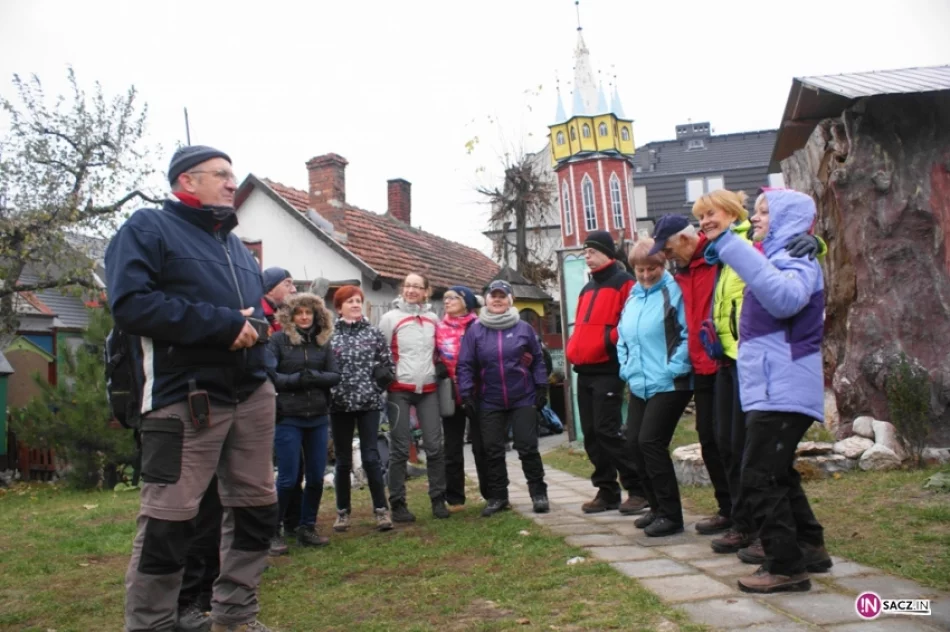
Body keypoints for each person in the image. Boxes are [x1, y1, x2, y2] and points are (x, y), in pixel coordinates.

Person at [106, 145, 277, 632]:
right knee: (168, 523)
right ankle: (152, 624)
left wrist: (258, 336)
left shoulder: (238, 248)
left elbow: (253, 316)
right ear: (186, 182)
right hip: (185, 399)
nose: (231, 182)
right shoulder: (148, 228)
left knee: (255, 513)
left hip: (250, 394)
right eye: (221, 174)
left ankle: (235, 614)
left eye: (232, 174)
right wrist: (222, 325)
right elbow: (131, 306)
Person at [703, 188, 831, 593]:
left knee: (758, 475)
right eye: (755, 211)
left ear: (789, 220)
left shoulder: (796, 257)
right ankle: (809, 545)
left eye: (763, 212)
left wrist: (731, 244)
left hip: (784, 385)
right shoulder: (780, 255)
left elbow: (785, 300)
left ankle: (786, 566)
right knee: (776, 471)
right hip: (775, 384)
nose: (755, 218)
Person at [649, 216, 734, 535]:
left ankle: (744, 515)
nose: (668, 257)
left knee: (728, 442)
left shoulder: (718, 258)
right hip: (701, 367)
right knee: (709, 441)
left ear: (685, 240)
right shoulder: (681, 274)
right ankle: (727, 509)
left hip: (726, 362)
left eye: (669, 249)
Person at [565, 231, 648, 514]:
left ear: (606, 253)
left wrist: (605, 342)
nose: (586, 256)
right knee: (590, 434)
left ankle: (638, 489)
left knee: (607, 430)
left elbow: (628, 324)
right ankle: (607, 490)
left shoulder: (624, 282)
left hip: (608, 369)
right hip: (584, 369)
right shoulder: (587, 289)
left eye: (591, 251)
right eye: (585, 252)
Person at [616, 239, 693, 536]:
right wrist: (626, 369)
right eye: (640, 269)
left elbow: (687, 334)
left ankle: (672, 515)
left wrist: (673, 368)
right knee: (633, 442)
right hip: (639, 382)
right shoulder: (633, 297)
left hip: (671, 382)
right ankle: (656, 508)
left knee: (650, 442)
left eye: (653, 268)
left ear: (664, 264)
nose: (646, 274)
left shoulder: (674, 292)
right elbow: (623, 337)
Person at [457, 280, 549, 516]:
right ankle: (498, 497)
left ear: (511, 300)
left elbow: (538, 359)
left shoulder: (524, 329)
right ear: (486, 300)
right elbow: (465, 364)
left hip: (523, 396)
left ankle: (538, 493)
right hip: (490, 398)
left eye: (502, 296)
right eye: (493, 296)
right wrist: (466, 393)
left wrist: (541, 387)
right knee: (493, 449)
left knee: (527, 446)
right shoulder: (475, 331)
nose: (497, 300)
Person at [267, 293, 340, 548]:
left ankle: (306, 526)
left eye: (309, 313)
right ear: (291, 316)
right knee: (287, 477)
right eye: (299, 313)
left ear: (317, 315)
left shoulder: (322, 343)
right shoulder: (278, 341)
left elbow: (334, 375)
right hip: (288, 416)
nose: (305, 317)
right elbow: (271, 375)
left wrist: (315, 377)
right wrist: (296, 380)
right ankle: (273, 529)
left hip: (318, 416)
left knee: (317, 477)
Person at [378, 273, 450, 521]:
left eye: (417, 287)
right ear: (402, 289)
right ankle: (397, 504)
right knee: (399, 449)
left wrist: (441, 365)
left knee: (434, 446)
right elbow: (380, 351)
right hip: (399, 389)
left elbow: (440, 349)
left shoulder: (432, 319)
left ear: (426, 291)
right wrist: (383, 373)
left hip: (428, 389)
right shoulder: (390, 318)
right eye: (407, 286)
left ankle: (438, 500)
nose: (411, 290)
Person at [329, 285, 394, 532]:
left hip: (368, 404)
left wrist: (376, 387)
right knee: (343, 461)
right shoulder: (329, 336)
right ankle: (343, 512)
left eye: (358, 301)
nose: (355, 305)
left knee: (370, 457)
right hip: (339, 405)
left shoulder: (374, 334)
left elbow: (389, 367)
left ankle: (381, 510)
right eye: (350, 301)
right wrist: (332, 392)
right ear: (339, 307)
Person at [435, 285, 489, 510]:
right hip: (450, 393)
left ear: (466, 302)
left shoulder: (479, 326)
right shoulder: (438, 327)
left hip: (478, 392)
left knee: (481, 445)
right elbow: (433, 353)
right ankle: (455, 497)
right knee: (452, 447)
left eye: (453, 298)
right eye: (445, 298)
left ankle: (491, 493)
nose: (447, 302)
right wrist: (437, 365)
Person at [259, 267, 300, 556]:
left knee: (295, 468)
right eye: (288, 284)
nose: (294, 289)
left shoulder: (286, 318)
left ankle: (293, 522)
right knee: (272, 471)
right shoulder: (259, 316)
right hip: (266, 399)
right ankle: (269, 529)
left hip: (291, 402)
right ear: (270, 287)